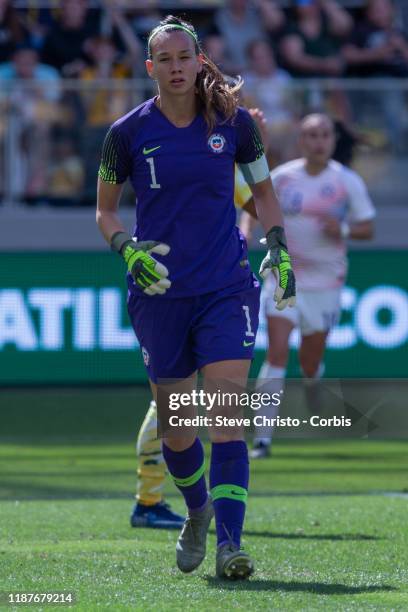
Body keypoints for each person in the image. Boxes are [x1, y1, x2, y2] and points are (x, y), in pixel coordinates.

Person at [96, 15, 295, 579]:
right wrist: (125, 247)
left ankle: (231, 543)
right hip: (158, 294)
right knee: (178, 428)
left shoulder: (233, 126)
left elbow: (263, 192)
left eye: (186, 57)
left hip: (225, 287)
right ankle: (198, 511)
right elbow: (106, 210)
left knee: (226, 419)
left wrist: (278, 247)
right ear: (150, 67)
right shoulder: (126, 134)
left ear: (200, 61)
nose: (177, 67)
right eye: (167, 59)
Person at [240, 114, 375, 458]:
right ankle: (263, 439)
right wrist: (245, 232)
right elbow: (254, 204)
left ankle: (313, 381)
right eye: (312, 135)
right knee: (277, 353)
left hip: (326, 283)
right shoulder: (284, 178)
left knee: (311, 362)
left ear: (333, 140)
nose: (319, 141)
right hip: (285, 276)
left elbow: (367, 227)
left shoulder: (346, 181)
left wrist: (342, 230)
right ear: (301, 141)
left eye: (325, 135)